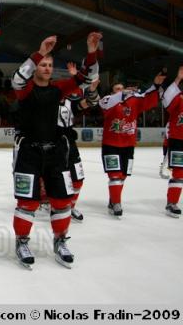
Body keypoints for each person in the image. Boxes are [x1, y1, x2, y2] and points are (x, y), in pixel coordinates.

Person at [11, 33, 98, 269]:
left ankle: (60, 241)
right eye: (43, 64)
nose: (47, 68)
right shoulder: (25, 90)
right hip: (29, 152)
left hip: (55, 154)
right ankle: (22, 242)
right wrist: (38, 51)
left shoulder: (59, 89)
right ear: (36, 67)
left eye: (50, 65)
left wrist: (91, 52)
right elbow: (16, 79)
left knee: (62, 201)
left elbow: (86, 76)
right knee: (27, 203)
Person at [99, 71, 166, 217]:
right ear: (112, 91)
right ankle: (117, 203)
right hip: (111, 144)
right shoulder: (108, 101)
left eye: (122, 89)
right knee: (115, 175)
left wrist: (156, 84)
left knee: (122, 176)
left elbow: (149, 99)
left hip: (128, 145)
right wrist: (124, 93)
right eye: (117, 89)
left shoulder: (134, 101)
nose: (121, 91)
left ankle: (113, 200)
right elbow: (104, 103)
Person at [59, 61, 102, 222]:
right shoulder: (46, 102)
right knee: (55, 178)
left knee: (78, 178)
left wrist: (92, 89)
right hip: (51, 144)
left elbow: (90, 102)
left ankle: (71, 206)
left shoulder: (71, 102)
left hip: (70, 143)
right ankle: (55, 204)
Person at [161, 66, 183, 218]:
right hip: (178, 140)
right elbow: (167, 102)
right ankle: (172, 203)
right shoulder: (179, 97)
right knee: (179, 173)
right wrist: (178, 79)